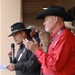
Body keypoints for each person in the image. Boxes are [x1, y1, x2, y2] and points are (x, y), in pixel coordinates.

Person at [23, 6, 75, 75]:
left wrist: (36, 51)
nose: (44, 23)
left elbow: (54, 65)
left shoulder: (65, 37)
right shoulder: (59, 37)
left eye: (46, 19)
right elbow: (49, 63)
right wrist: (40, 51)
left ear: (55, 19)